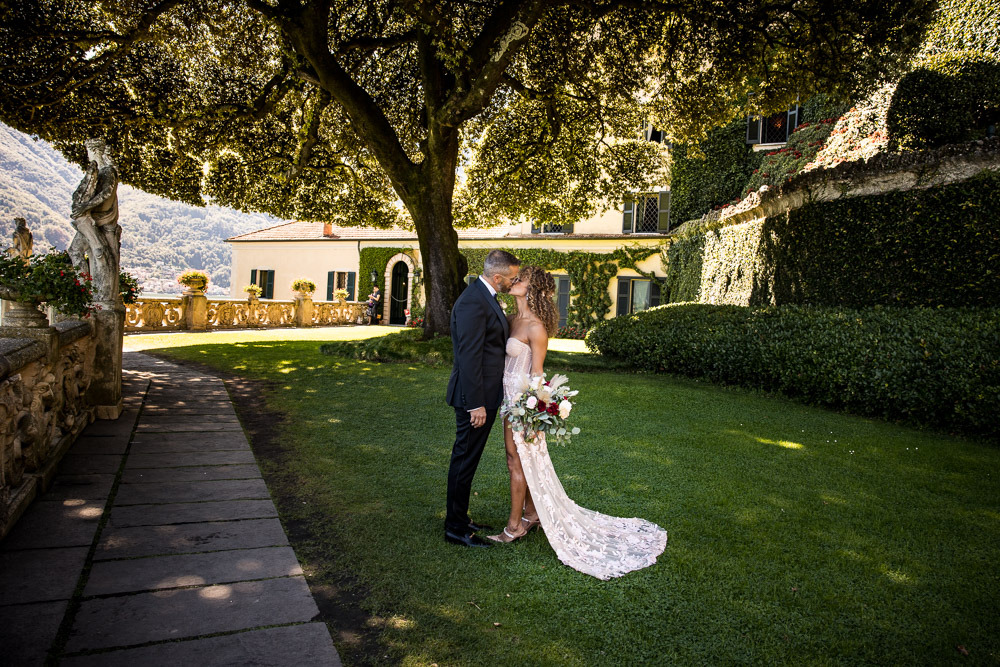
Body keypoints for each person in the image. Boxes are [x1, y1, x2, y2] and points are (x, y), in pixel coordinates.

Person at [487, 265, 668, 580]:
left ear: (533, 289)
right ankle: (531, 515)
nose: (515, 281)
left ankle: (514, 528)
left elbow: (538, 375)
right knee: (521, 463)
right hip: (507, 399)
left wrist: (533, 413)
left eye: (521, 279)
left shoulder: (535, 327)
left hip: (521, 405)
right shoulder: (512, 319)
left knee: (516, 462)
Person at [444, 249, 521, 548]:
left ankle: (460, 518)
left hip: (486, 395)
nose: (513, 282)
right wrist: (475, 403)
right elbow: (469, 356)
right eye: (512, 278)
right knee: (464, 461)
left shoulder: (484, 296)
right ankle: (455, 529)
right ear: (497, 276)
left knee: (469, 460)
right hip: (473, 399)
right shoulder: (474, 302)